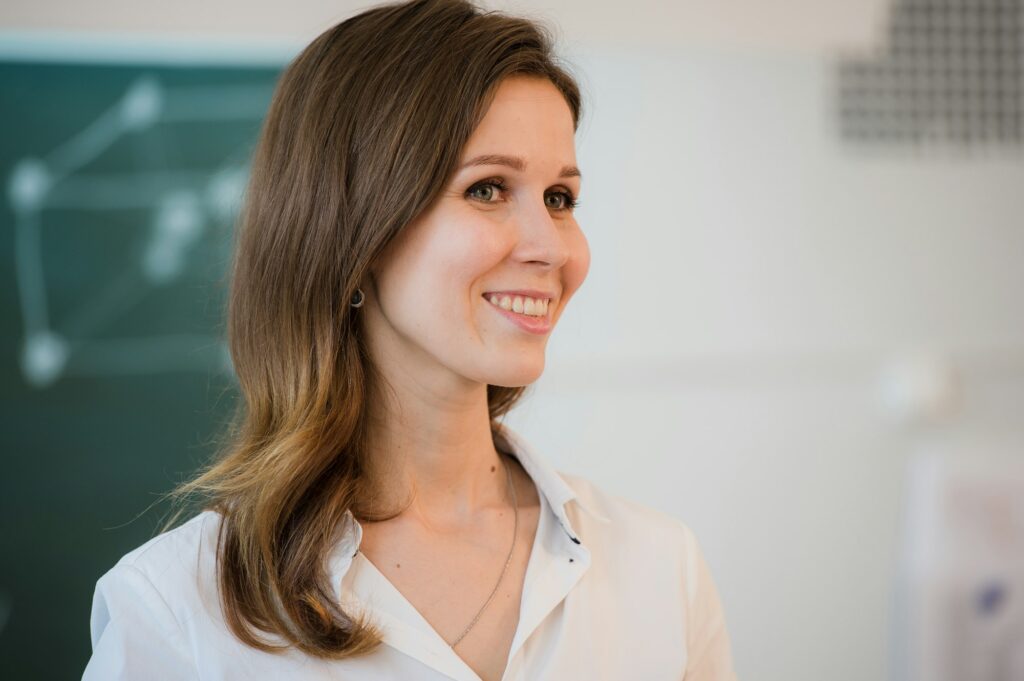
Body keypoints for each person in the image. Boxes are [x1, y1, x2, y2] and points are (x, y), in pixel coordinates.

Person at [82, 0, 737, 679]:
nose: (552, 247)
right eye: (487, 188)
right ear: (354, 231)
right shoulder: (177, 611)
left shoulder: (661, 569)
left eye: (560, 198)